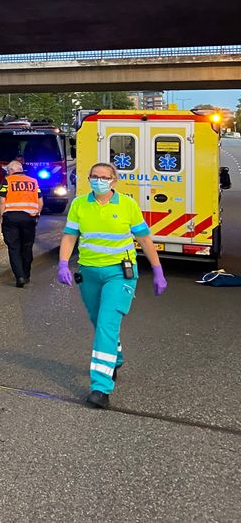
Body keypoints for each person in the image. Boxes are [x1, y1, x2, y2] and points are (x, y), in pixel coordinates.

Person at [57, 162, 167, 409]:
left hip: (120, 273)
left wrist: (157, 270)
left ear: (114, 181)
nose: (99, 181)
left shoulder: (127, 205)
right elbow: (70, 235)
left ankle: (100, 388)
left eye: (104, 177)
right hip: (89, 273)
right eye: (94, 176)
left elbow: (145, 239)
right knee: (99, 323)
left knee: (107, 323)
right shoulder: (79, 204)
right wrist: (63, 263)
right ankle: (115, 357)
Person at [0, 160, 40, 284]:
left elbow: (2, 201)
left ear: (11, 170)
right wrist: (37, 215)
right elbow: (40, 201)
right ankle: (26, 274)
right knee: (27, 247)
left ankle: (19, 276)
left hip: (11, 217)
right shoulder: (33, 182)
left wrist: (2, 215)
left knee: (14, 247)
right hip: (29, 218)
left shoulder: (7, 181)